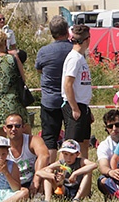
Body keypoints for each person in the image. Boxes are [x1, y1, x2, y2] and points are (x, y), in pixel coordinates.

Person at [34, 17, 73, 158]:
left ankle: (50, 168)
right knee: (70, 137)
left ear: (51, 32)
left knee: (49, 138)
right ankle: (67, 167)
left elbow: (39, 70)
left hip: (50, 100)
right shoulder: (74, 49)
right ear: (67, 30)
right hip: (71, 99)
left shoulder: (43, 52)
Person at [0, 30, 28, 136]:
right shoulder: (13, 59)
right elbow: (23, 78)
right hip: (12, 100)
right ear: (5, 42)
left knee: (0, 135)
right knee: (20, 132)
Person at [61, 24, 92, 158]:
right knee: (70, 146)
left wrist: (86, 109)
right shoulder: (74, 58)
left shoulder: (80, 57)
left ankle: (83, 174)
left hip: (82, 104)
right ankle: (63, 175)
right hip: (74, 105)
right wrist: (74, 108)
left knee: (84, 143)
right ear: (87, 40)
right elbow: (68, 84)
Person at [3, 112, 48, 196]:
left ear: (23, 127)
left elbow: (44, 156)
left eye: (17, 126)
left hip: (32, 180)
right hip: (12, 184)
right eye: (10, 126)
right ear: (5, 129)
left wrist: (36, 180)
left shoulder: (33, 140)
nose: (13, 129)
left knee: (46, 171)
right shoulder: (1, 145)